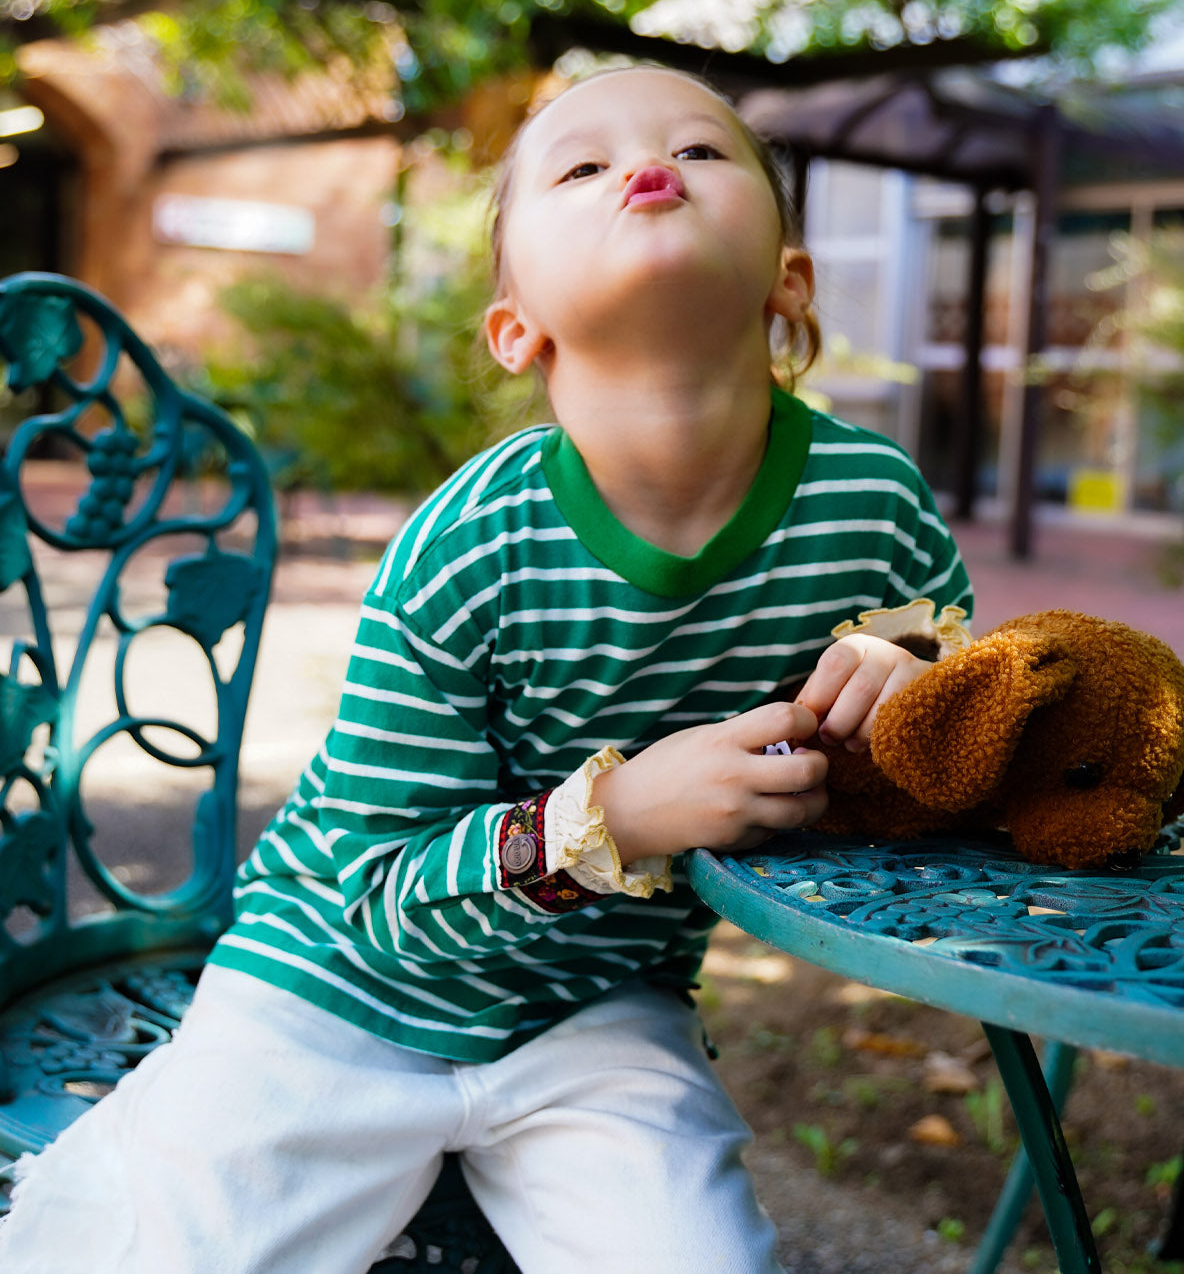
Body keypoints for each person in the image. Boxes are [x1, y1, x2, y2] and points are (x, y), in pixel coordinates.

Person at [0, 65, 972, 1274]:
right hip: (332, 989)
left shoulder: (868, 505)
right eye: (580, 166)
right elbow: (368, 886)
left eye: (702, 150)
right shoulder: (469, 544)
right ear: (519, 324)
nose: (644, 165)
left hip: (601, 1010)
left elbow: (942, 644)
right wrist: (613, 815)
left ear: (789, 279)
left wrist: (911, 668)